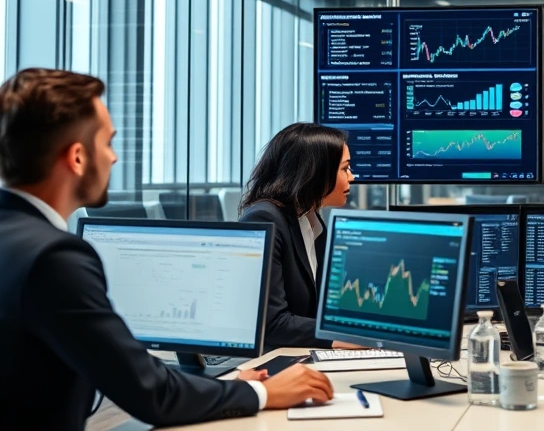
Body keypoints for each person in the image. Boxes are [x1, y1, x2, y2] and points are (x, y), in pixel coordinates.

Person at [0, 69, 334, 430]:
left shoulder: (13, 239)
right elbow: (149, 392)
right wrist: (265, 394)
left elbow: (130, 370)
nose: (113, 158)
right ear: (78, 157)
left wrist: (226, 384)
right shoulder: (55, 259)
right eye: (108, 143)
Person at [238, 123, 357, 349]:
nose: (351, 177)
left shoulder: (310, 219)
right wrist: (347, 336)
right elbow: (271, 323)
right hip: (271, 361)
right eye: (345, 168)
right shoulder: (265, 219)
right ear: (317, 172)